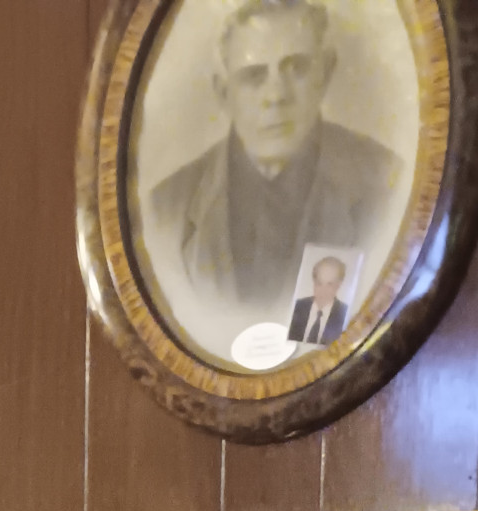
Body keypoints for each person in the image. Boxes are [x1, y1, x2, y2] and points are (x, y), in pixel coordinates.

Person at [146, 0, 401, 314]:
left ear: (325, 73)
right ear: (224, 93)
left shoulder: (390, 186)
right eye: (254, 76)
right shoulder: (165, 211)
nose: (276, 95)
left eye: (296, 68)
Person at [287, 254, 349, 343]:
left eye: (329, 285)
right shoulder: (296, 307)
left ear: (338, 285)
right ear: (314, 281)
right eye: (319, 283)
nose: (323, 291)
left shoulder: (345, 315)